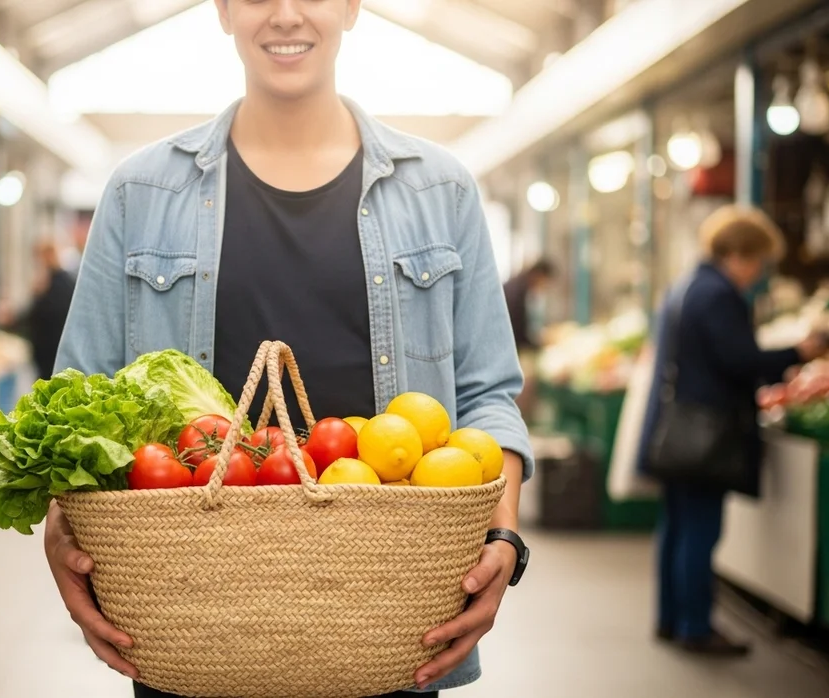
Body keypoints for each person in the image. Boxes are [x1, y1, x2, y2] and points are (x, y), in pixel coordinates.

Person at [45, 2, 534, 696]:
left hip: (392, 616)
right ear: (220, 10)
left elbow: (489, 393)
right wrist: (60, 531)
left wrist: (503, 540)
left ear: (352, 7)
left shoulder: (440, 188)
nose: (284, 15)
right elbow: (81, 394)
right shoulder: (141, 191)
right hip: (192, 612)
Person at [637, 205, 829, 656]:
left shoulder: (685, 287)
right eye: (759, 260)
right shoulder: (719, 294)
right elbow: (741, 360)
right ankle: (695, 626)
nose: (759, 272)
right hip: (707, 432)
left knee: (677, 526)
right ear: (740, 253)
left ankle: (671, 619)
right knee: (701, 530)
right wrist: (797, 352)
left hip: (677, 427)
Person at [4, 240, 76, 379]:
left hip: (51, 350)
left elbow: (40, 313)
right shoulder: (60, 281)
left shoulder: (55, 284)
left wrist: (14, 320)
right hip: (51, 350)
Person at [502, 259, 555, 352]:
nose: (544, 286)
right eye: (545, 282)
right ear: (539, 275)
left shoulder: (520, 285)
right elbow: (517, 327)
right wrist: (535, 346)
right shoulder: (516, 292)